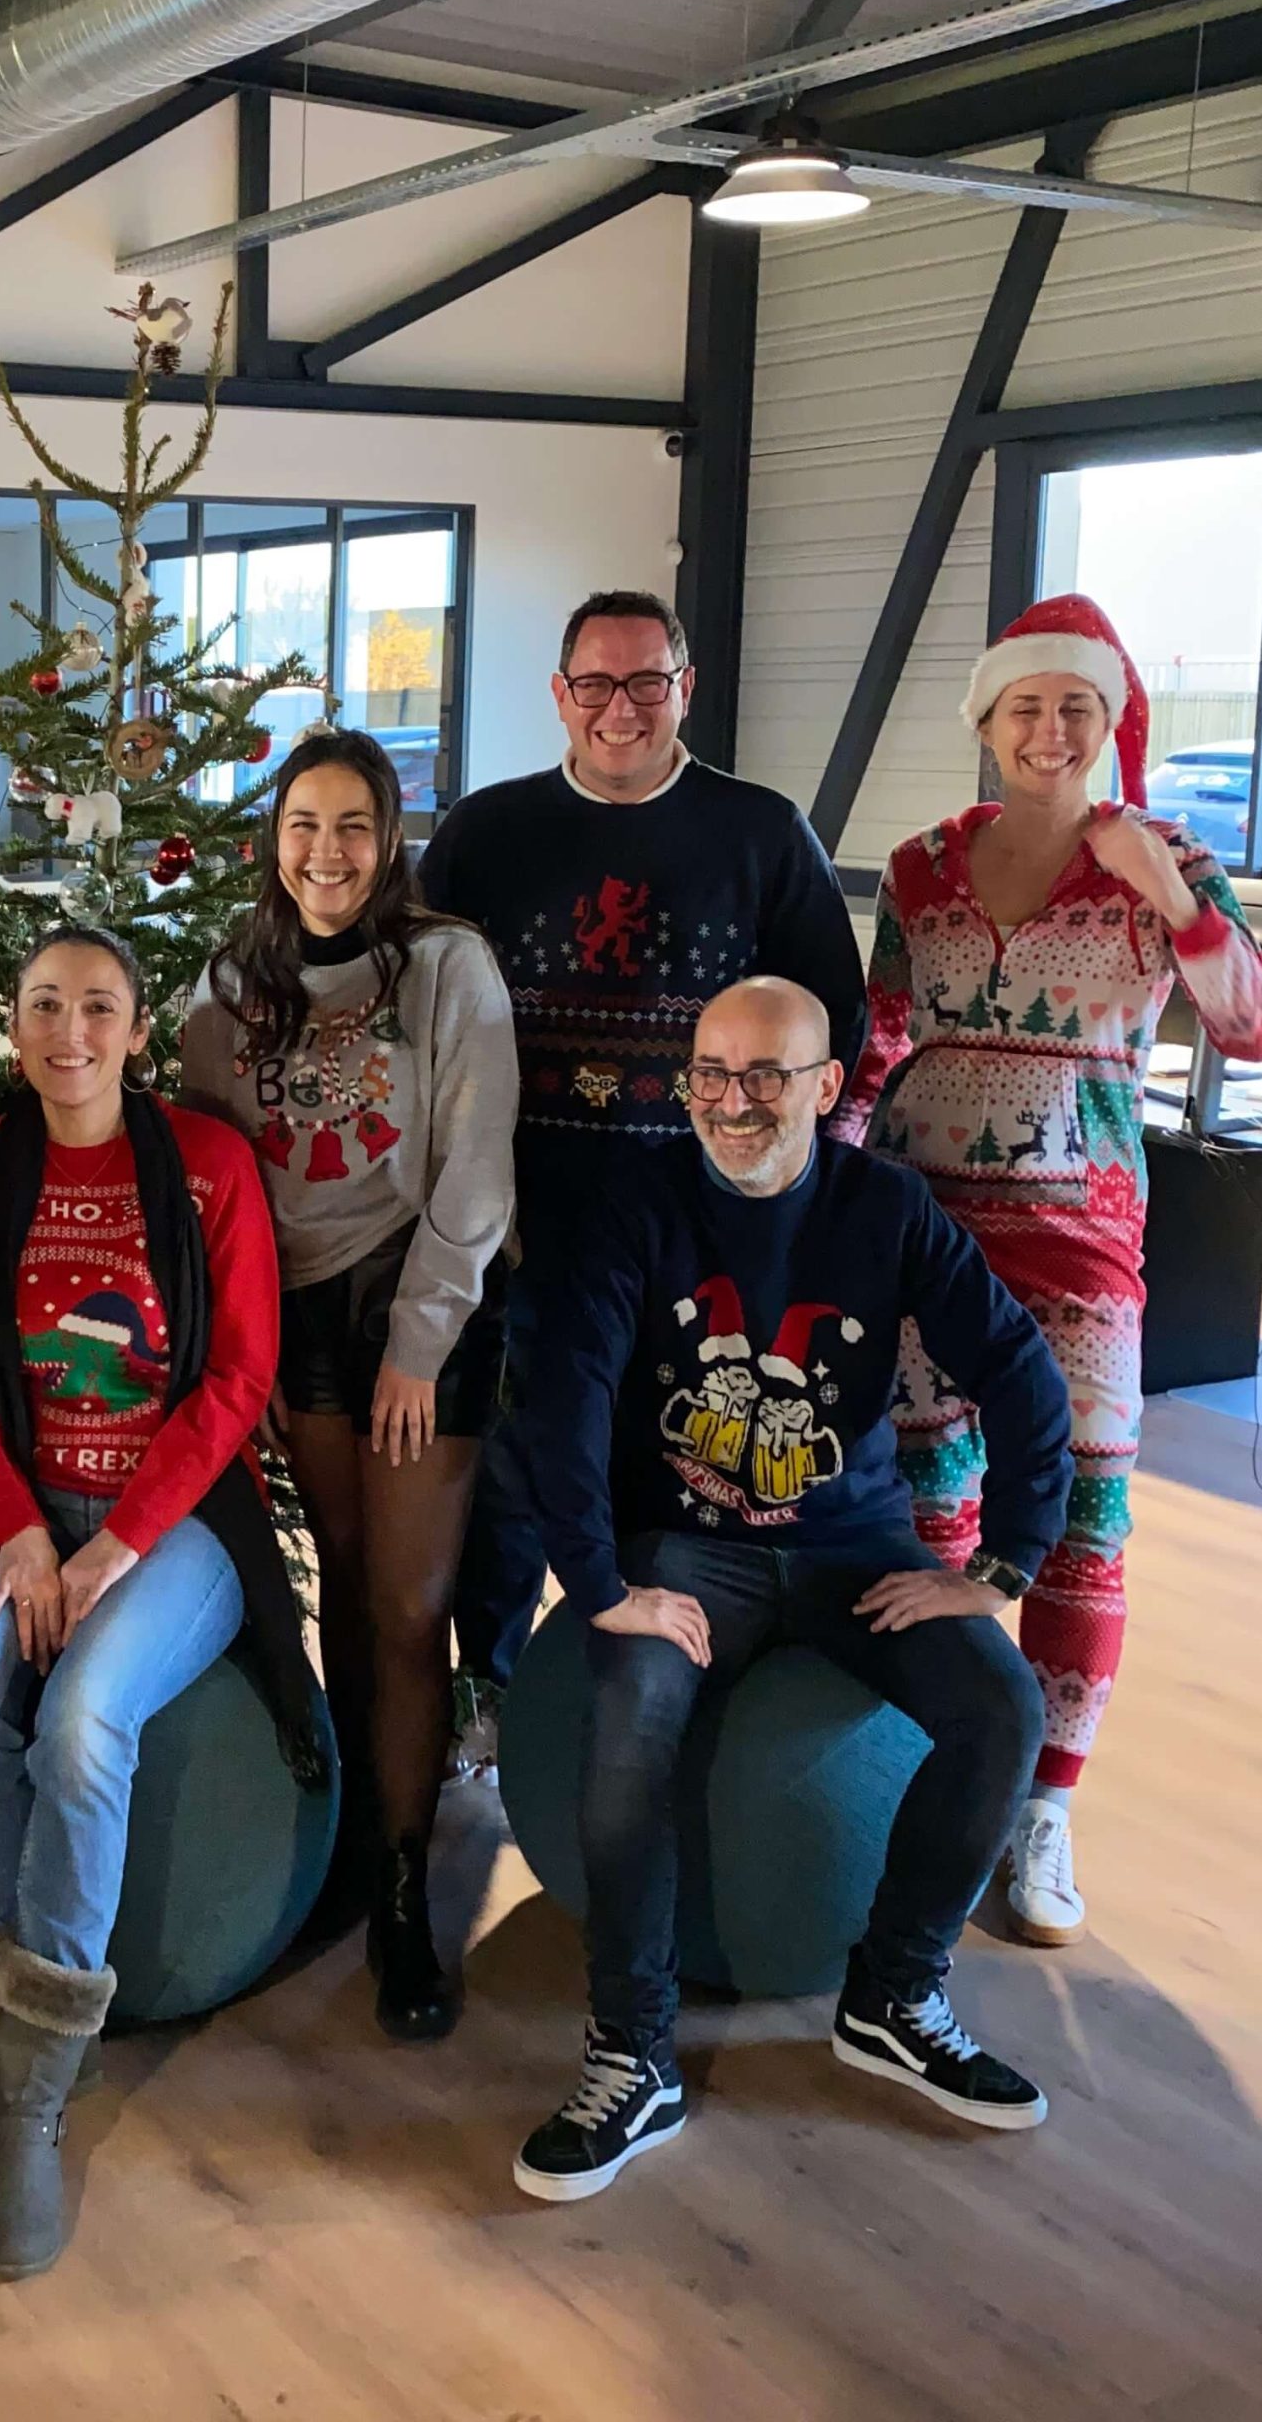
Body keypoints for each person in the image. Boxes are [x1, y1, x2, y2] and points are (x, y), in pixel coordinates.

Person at [513, 976, 1070, 2204]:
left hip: (850, 1548)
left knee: (1002, 1708)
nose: (732, 1101)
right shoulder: (636, 1202)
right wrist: (597, 1583)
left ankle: (893, 1998)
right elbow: (565, 1394)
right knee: (627, 1722)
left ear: (825, 1087)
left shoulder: (886, 1209)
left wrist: (1002, 1565)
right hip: (683, 1549)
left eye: (766, 1075)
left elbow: (1020, 1369)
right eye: (709, 1073)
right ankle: (633, 2052)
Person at [837, 594, 1262, 1945]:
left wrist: (1176, 901)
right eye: (1026, 707)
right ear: (986, 721)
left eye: (1076, 708)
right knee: (928, 1508)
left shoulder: (1168, 861)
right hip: (921, 1229)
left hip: (1083, 1243)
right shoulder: (920, 866)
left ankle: (1044, 1803)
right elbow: (881, 1034)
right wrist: (821, 1184)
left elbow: (1256, 1028)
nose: (1049, 731)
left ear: (1108, 720)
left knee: (1086, 1516)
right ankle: (939, 1763)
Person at [0, 924, 324, 2282]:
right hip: (25, 1513)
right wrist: (24, 1534)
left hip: (179, 1525)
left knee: (84, 1722)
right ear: (14, 1027)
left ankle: (28, 2101)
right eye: (44, 1005)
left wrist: (115, 1548)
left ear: (139, 1031)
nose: (71, 1031)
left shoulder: (204, 1166)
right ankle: (32, 2022)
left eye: (99, 1006)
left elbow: (238, 1379)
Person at [420, 588, 867, 1768]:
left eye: (645, 682)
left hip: (694, 1230)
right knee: (518, 1467)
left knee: (678, 1461)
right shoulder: (484, 832)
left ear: (684, 688)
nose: (619, 708)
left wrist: (774, 1202)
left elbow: (835, 1023)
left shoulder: (762, 834)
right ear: (559, 693)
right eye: (595, 684)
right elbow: (412, 1013)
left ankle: (647, 1701)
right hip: (516, 1218)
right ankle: (491, 1688)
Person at [183, 729, 516, 2038]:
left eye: (354, 826)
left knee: (407, 1602)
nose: (327, 852)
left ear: (389, 841)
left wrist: (420, 1344)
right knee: (344, 1571)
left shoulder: (446, 967)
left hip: (418, 1293)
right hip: (297, 1312)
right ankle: (362, 1847)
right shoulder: (232, 983)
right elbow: (217, 1180)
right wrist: (249, 1348)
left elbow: (476, 1172)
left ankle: (406, 1890)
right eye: (303, 825)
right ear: (273, 840)